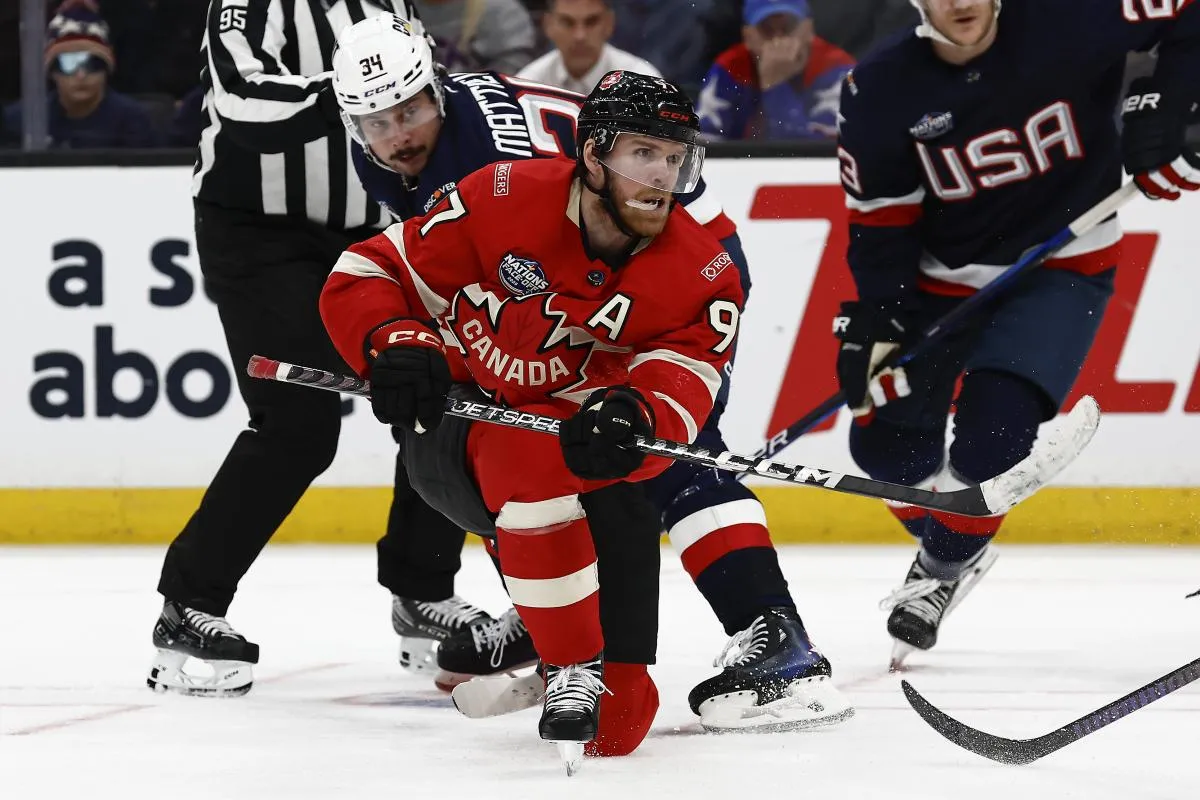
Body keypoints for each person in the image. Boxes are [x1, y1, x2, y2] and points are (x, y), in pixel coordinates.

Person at [333, 18, 854, 735]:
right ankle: (555, 617)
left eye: (410, 108)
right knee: (511, 424)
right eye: (376, 120)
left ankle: (775, 634)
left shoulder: (493, 159)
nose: (397, 133)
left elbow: (565, 223)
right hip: (589, 249)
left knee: (653, 449)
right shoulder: (393, 153)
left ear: (437, 85)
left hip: (671, 255)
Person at [833, 0, 1200, 669]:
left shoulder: (1072, 17)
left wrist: (1166, 107)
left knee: (994, 438)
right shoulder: (880, 87)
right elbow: (881, 220)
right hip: (937, 284)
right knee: (883, 451)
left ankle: (939, 571)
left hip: (1063, 264)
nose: (962, 3)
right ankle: (958, 530)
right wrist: (880, 315)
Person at [146, 0, 492, 698]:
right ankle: (190, 603)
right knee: (297, 426)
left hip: (376, 227)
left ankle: (422, 592)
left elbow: (431, 96)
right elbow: (242, 103)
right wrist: (358, 91)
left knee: (436, 390)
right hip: (259, 232)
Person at [2, 0, 161, 149]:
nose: (81, 75)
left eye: (92, 63)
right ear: (52, 72)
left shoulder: (132, 122)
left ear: (107, 69)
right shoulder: (21, 121)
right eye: (68, 64)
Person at [696, 0, 854, 141]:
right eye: (767, 30)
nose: (778, 41)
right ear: (748, 36)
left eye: (788, 27)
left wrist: (775, 85)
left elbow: (821, 152)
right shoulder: (730, 67)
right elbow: (703, 141)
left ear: (808, 30)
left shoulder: (836, 67)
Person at [517, 0, 661, 95]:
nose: (580, 36)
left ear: (609, 23)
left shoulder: (643, 84)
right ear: (548, 25)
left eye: (591, 22)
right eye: (567, 22)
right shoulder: (527, 85)